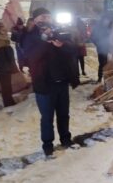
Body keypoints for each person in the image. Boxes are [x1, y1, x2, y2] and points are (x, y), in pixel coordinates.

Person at [22, 8, 80, 156]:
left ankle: (66, 139)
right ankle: (48, 145)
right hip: (44, 84)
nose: (46, 19)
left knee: (63, 114)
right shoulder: (30, 35)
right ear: (35, 20)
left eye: (48, 16)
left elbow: (73, 50)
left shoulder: (58, 31)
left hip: (61, 82)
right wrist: (46, 42)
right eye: (43, 16)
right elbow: (31, 56)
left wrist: (61, 45)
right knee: (47, 118)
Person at [0, 24, 17, 107]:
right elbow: (3, 56)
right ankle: (8, 104)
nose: (5, 31)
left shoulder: (1, 41)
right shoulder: (1, 41)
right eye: (3, 30)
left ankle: (9, 102)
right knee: (6, 87)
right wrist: (12, 68)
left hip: (2, 68)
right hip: (3, 69)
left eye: (5, 30)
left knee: (7, 87)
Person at [91, 15, 113, 83]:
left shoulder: (108, 27)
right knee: (102, 64)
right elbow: (92, 37)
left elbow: (111, 37)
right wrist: (98, 44)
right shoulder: (97, 28)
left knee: (107, 64)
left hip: (107, 48)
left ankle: (106, 78)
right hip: (101, 49)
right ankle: (100, 78)